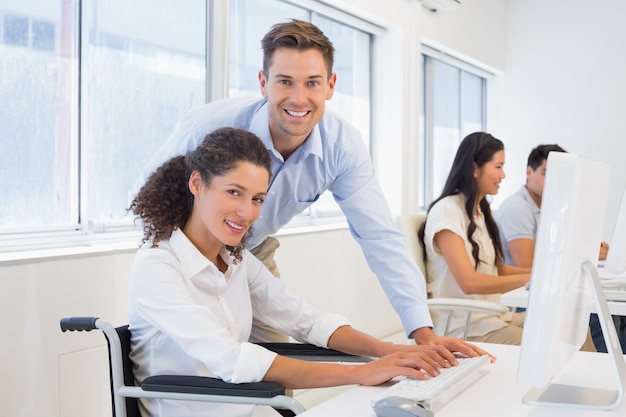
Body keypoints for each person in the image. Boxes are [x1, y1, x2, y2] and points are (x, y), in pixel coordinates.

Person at [135, 19, 485, 356]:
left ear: (331, 85)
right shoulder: (209, 125)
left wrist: (421, 332)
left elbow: (380, 237)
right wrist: (186, 265)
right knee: (199, 359)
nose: (299, 98)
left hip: (253, 251)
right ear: (263, 82)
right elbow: (150, 197)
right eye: (285, 81)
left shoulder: (341, 147)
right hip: (189, 251)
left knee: (277, 363)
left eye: (312, 83)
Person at [127, 127, 474, 417]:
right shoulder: (158, 266)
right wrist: (361, 372)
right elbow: (231, 359)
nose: (247, 213)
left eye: (257, 199)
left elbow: (305, 320)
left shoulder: (237, 260)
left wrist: (389, 352)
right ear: (197, 184)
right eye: (234, 192)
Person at [495, 144, 625, 353]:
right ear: (529, 172)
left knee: (612, 314)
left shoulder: (551, 206)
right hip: (523, 296)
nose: (555, 181)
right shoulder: (518, 208)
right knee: (594, 316)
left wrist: (590, 249)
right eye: (547, 173)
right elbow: (528, 265)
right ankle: (604, 374)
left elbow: (563, 251)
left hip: (546, 288)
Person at [420, 132, 531, 345]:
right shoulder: (447, 212)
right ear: (474, 168)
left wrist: (543, 274)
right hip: (465, 327)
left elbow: (499, 270)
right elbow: (468, 283)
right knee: (545, 345)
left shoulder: (479, 211)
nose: (503, 175)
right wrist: (530, 280)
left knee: (567, 332)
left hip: (492, 318)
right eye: (498, 167)